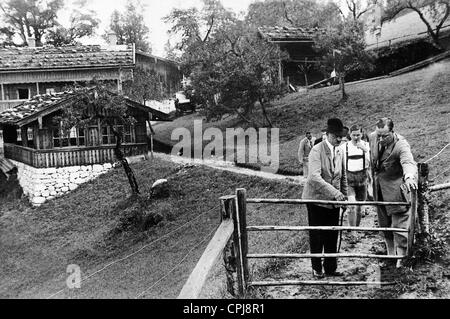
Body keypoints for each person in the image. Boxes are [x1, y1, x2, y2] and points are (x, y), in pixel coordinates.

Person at [302, 118, 348, 278]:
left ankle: (330, 268)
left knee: (332, 234)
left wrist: (345, 197)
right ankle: (317, 268)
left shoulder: (340, 151)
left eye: (341, 136)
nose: (339, 139)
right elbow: (314, 177)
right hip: (316, 201)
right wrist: (336, 194)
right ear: (327, 135)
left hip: (333, 202)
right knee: (317, 235)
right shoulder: (316, 150)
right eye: (336, 136)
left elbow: (343, 177)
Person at [369, 118, 417, 266]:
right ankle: (390, 256)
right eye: (379, 135)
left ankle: (401, 261)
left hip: (396, 191)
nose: (381, 139)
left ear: (392, 132)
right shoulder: (372, 137)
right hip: (379, 190)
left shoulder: (401, 144)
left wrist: (409, 177)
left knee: (399, 225)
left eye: (385, 136)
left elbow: (408, 162)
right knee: (384, 225)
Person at [341, 125, 371, 243]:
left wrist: (365, 150)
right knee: (352, 206)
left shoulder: (367, 146)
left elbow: (371, 162)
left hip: (362, 178)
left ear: (362, 134)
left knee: (359, 208)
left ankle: (356, 229)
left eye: (358, 134)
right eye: (354, 135)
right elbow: (341, 163)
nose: (356, 137)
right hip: (349, 179)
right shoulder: (345, 147)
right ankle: (353, 233)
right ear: (350, 135)